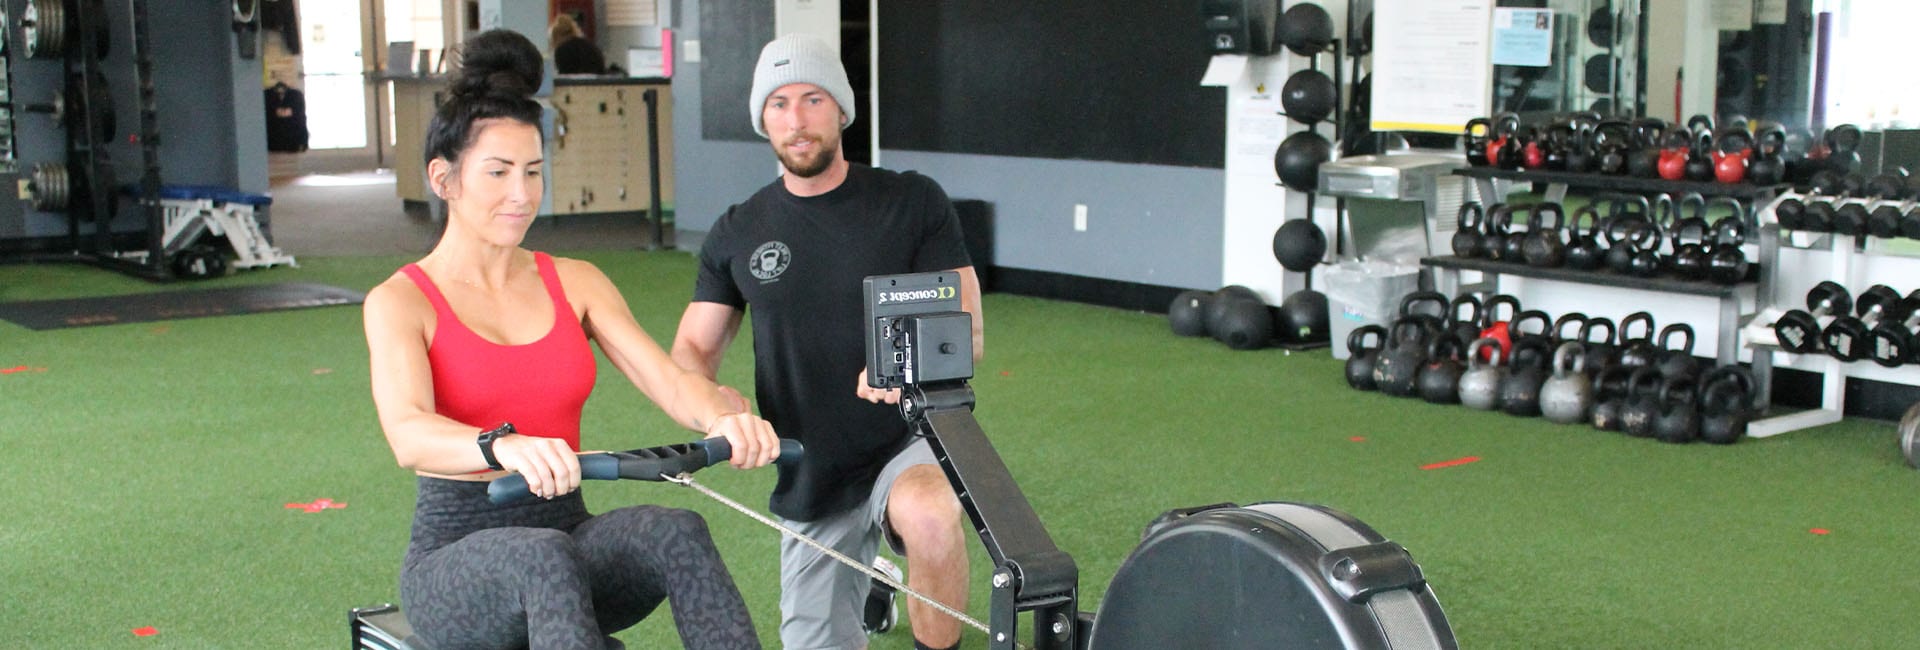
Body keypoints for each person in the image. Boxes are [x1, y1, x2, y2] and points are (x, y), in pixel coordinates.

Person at [362, 29, 779, 650]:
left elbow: (669, 382)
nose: (522, 194)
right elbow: (408, 433)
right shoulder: (401, 300)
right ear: (443, 178)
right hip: (453, 557)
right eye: (498, 172)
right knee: (543, 557)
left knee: (677, 530)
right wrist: (502, 446)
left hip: (565, 530)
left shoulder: (575, 281)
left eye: (533, 172)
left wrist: (723, 416)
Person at [670, 33, 983, 650]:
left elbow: (966, 329)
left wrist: (903, 366)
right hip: (811, 469)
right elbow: (691, 353)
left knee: (929, 515)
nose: (797, 120)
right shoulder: (738, 231)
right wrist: (714, 406)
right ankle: (877, 583)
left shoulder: (911, 201)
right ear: (763, 120)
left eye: (813, 99)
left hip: (908, 436)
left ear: (841, 109)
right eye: (779, 104)